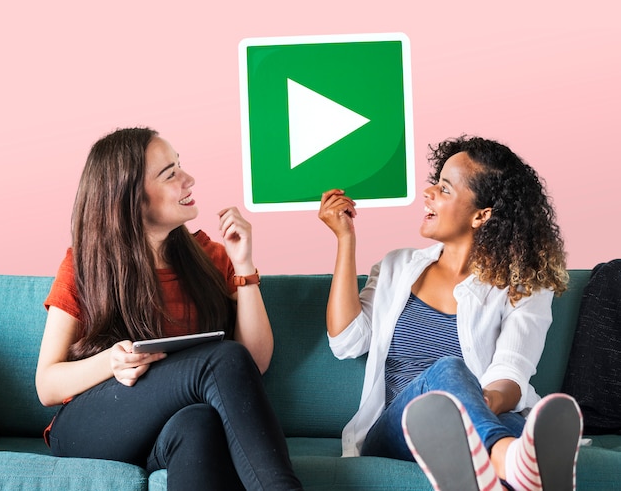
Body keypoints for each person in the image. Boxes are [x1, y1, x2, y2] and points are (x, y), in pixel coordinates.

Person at [35, 127, 303, 491]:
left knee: (200, 422)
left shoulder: (212, 258)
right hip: (95, 425)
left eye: (180, 166)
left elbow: (253, 363)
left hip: (169, 430)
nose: (188, 179)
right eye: (170, 174)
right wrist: (110, 362)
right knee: (222, 358)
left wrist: (244, 265)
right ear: (131, 199)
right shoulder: (84, 266)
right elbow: (47, 386)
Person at [318, 135, 582, 491]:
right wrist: (345, 240)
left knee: (518, 436)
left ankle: (508, 465)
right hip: (399, 428)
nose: (427, 193)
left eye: (444, 189)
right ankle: (506, 458)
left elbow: (511, 371)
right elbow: (346, 341)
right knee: (448, 371)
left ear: (481, 216)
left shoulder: (524, 285)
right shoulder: (396, 267)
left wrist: (472, 403)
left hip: (481, 418)